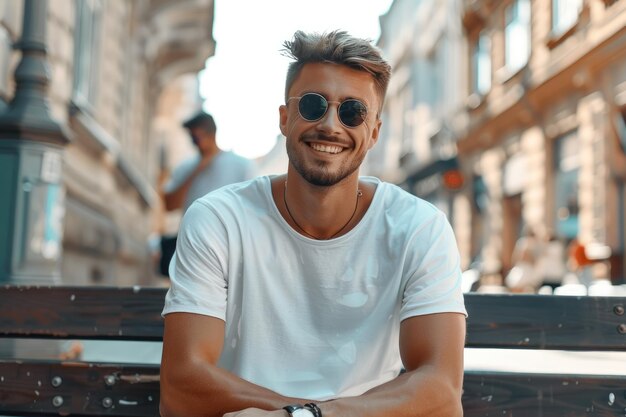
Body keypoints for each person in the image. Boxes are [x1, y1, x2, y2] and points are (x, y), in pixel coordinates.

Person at [160, 30, 467, 417]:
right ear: (285, 118)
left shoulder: (419, 228)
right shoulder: (218, 220)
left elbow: (441, 392)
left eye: (352, 111)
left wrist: (311, 415)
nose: (330, 125)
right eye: (312, 105)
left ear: (373, 131)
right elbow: (180, 387)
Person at [158, 111, 255, 276]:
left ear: (211, 133)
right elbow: (169, 205)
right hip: (193, 246)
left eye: (198, 137)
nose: (195, 143)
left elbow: (252, 209)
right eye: (192, 138)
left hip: (229, 248)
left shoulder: (241, 165)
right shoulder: (186, 167)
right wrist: (198, 169)